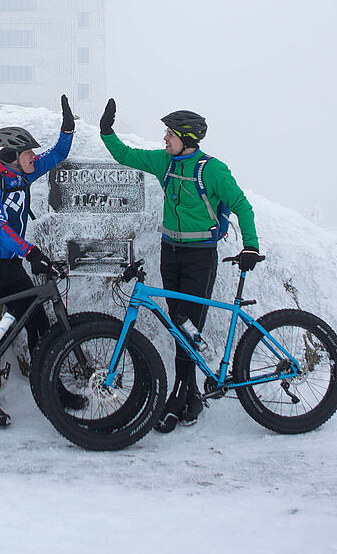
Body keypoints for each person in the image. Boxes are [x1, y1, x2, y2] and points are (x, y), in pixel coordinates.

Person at [98, 98, 262, 432]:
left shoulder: (212, 170)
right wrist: (107, 132)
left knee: (189, 325)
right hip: (170, 251)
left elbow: (243, 206)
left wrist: (250, 246)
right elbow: (128, 156)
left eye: (169, 135)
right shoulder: (166, 163)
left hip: (201, 257)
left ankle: (180, 396)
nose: (164, 140)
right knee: (179, 325)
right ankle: (191, 396)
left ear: (186, 138)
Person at [0, 96, 82, 428]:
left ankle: (52, 389)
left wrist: (67, 129)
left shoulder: (22, 176)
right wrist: (31, 252)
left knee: (39, 325)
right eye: (29, 153)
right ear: (14, 157)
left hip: (10, 265)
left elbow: (57, 155)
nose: (34, 157)